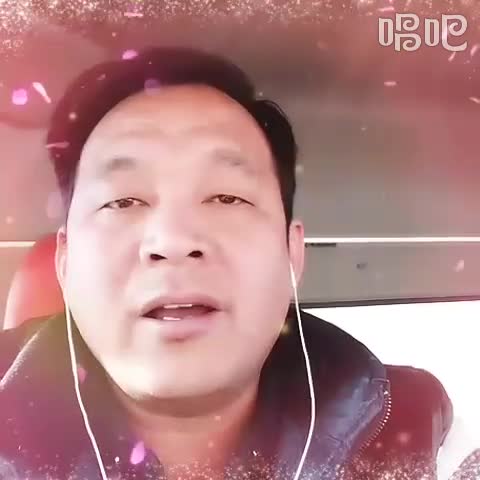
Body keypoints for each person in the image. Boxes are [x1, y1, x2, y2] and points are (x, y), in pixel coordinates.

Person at [0, 47, 453, 480]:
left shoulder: (405, 423)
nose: (173, 242)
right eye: (122, 201)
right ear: (65, 262)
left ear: (292, 254)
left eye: (226, 197)